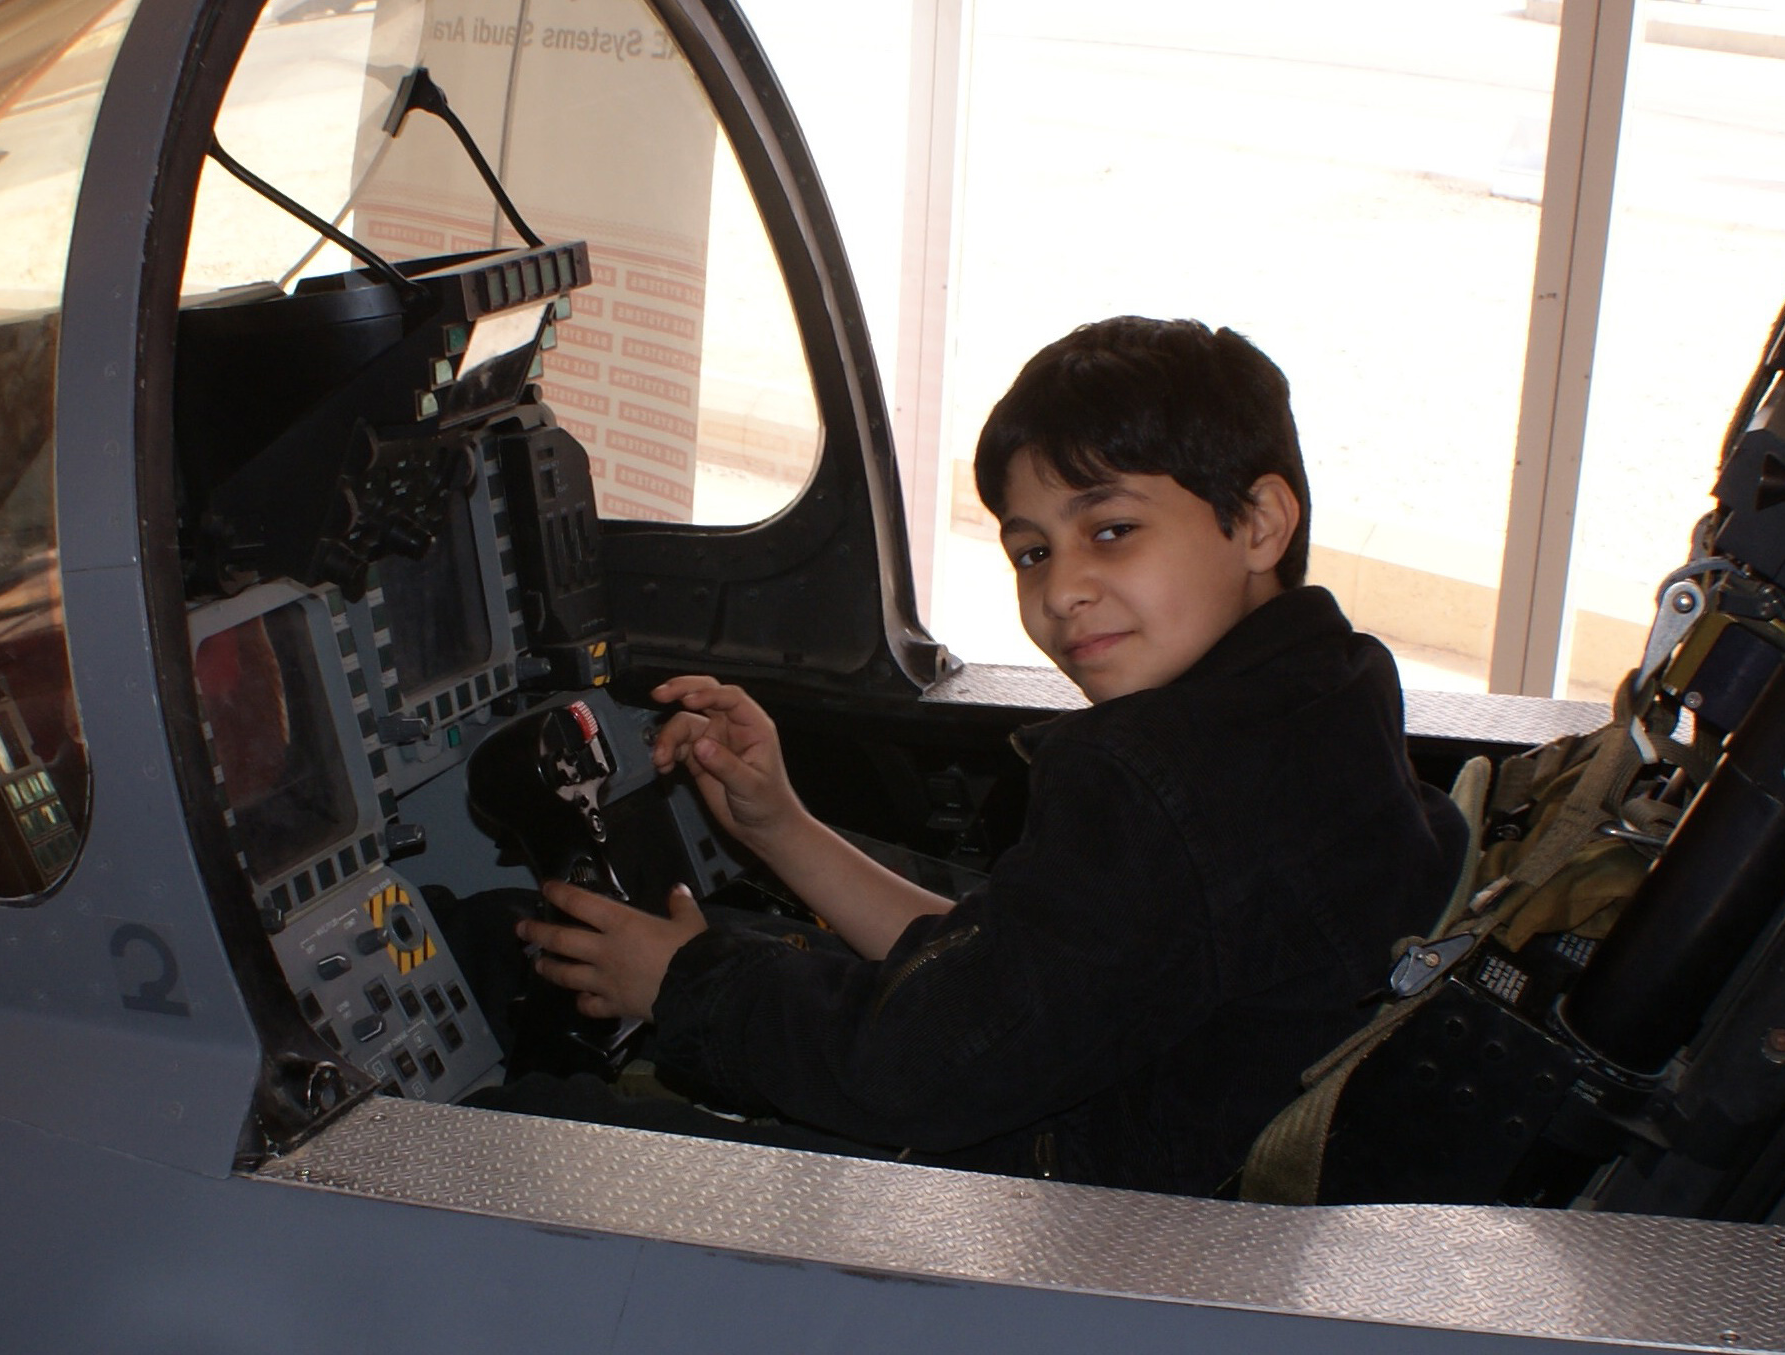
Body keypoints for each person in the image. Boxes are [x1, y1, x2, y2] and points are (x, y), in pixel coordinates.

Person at [516, 316, 1467, 1195]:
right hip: (1163, 1183)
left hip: (1088, 1240)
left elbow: (929, 1068)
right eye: (1031, 552)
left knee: (531, 1130)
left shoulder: (1162, 776)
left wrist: (685, 986)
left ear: (1258, 521)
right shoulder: (1320, 700)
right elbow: (1013, 981)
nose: (1062, 591)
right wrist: (783, 828)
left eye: (1109, 531)